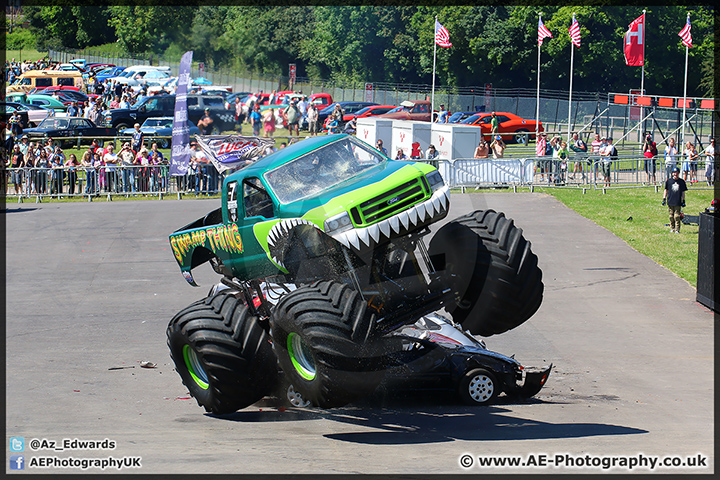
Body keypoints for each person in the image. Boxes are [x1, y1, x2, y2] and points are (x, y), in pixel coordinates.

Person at [662, 166, 687, 233]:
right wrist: (664, 199)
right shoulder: (669, 181)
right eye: (674, 172)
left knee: (677, 216)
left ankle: (677, 229)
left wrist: (683, 201)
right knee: (671, 216)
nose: (675, 174)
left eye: (676, 172)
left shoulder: (681, 182)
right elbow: (666, 190)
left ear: (678, 173)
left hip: (677, 201)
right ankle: (672, 228)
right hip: (670, 200)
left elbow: (683, 192)